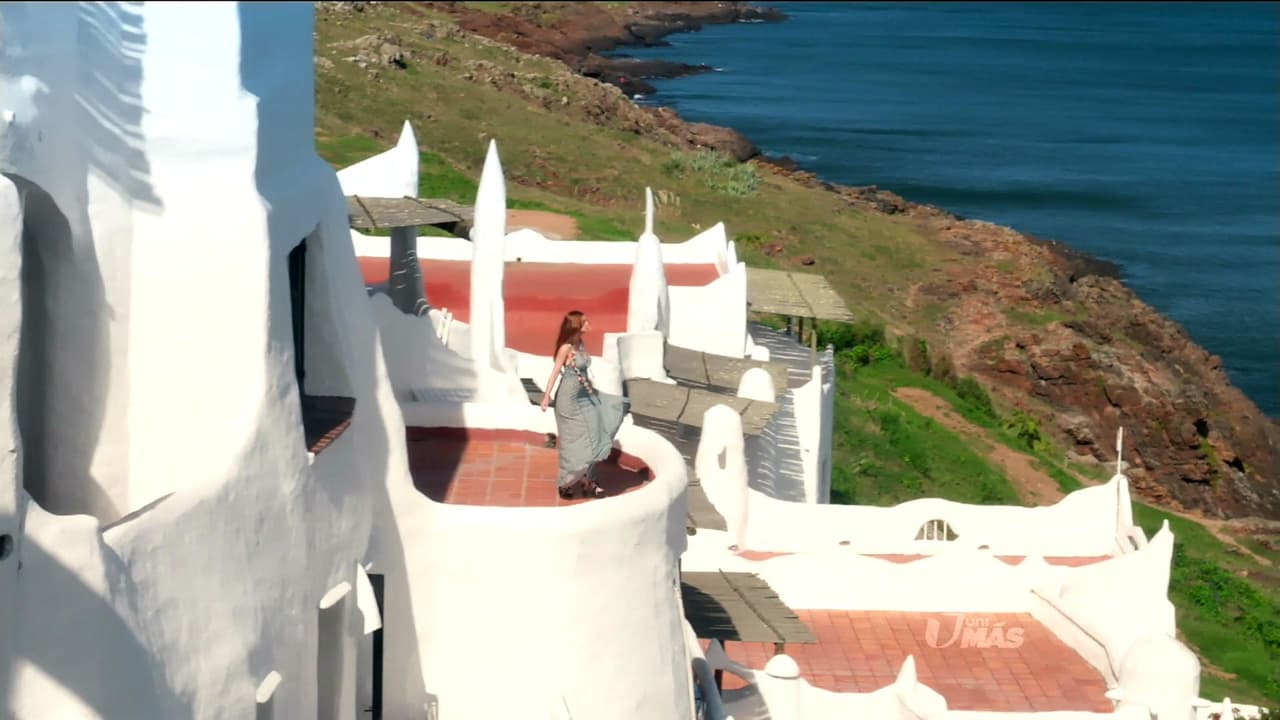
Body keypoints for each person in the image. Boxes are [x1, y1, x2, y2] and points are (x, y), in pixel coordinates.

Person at [540, 310, 629, 499]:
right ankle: (567, 482)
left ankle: (588, 480)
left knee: (598, 431)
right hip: (568, 400)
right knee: (575, 443)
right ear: (576, 325)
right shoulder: (566, 348)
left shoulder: (580, 343)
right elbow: (556, 371)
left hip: (585, 395)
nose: (589, 323)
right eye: (585, 321)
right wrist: (547, 396)